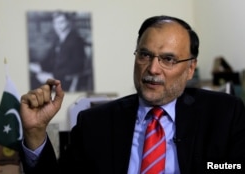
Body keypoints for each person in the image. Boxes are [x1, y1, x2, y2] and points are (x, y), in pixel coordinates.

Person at [19, 15, 245, 174]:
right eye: (145, 55)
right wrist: (36, 133)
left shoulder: (225, 114)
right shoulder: (95, 123)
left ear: (190, 69)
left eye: (168, 59)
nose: (153, 69)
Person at [29, 11, 89, 92]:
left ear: (68, 22)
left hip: (65, 81)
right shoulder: (58, 40)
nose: (58, 26)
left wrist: (52, 76)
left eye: (61, 22)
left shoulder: (77, 41)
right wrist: (40, 66)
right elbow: (50, 58)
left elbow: (77, 66)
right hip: (54, 76)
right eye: (55, 23)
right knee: (31, 78)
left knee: (33, 85)